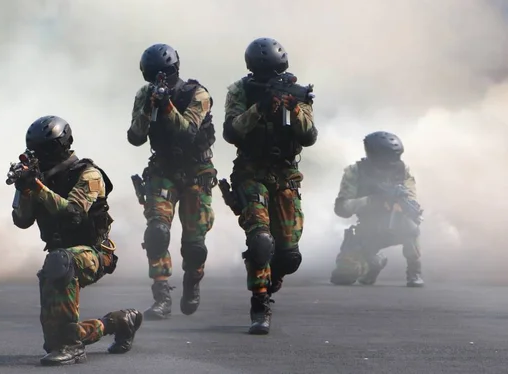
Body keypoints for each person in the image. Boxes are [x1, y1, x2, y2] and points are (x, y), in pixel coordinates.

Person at [9, 115, 143, 366]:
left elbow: (74, 214)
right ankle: (117, 322)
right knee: (54, 340)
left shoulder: (88, 174)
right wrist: (25, 189)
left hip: (95, 253)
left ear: (62, 145)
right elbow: (21, 220)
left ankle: (73, 347)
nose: (40, 156)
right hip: (62, 258)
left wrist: (38, 188)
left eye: (45, 150)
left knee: (60, 260)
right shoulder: (39, 177)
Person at [221, 37, 318, 334]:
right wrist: (260, 109)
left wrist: (293, 109)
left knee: (289, 256)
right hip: (251, 173)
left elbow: (309, 136)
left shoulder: (294, 92)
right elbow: (231, 132)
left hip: (285, 175)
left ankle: (271, 276)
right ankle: (259, 304)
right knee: (261, 240)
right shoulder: (240, 91)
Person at [127, 43, 217, 320]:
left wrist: (167, 106)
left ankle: (192, 280)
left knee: (194, 244)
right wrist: (149, 108)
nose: (158, 80)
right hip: (163, 170)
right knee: (156, 232)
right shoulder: (144, 94)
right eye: (154, 75)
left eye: (163, 74)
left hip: (194, 172)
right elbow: (135, 136)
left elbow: (188, 132)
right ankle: (162, 294)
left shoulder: (197, 94)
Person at [330, 131, 424, 288]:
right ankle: (375, 262)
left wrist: (399, 204)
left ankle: (414, 270)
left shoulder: (403, 171)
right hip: (367, 229)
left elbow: (411, 198)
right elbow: (342, 209)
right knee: (343, 276)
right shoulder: (355, 172)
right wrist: (371, 201)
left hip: (396, 226)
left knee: (412, 228)